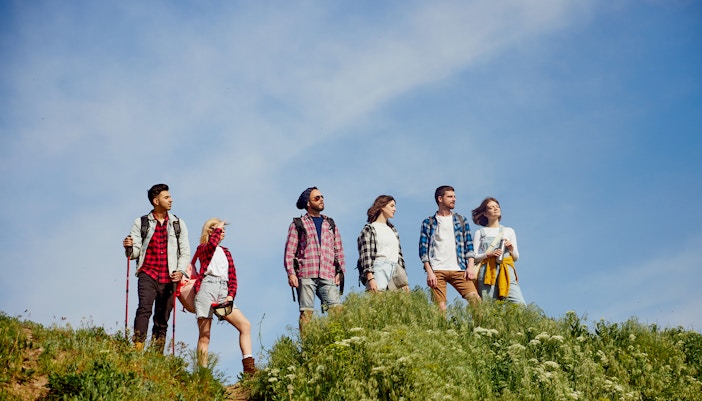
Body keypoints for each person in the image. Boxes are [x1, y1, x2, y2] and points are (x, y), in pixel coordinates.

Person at [123, 183, 190, 352]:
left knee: (162, 318)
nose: (171, 200)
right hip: (148, 273)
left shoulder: (178, 224)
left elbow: (185, 252)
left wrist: (180, 271)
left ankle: (156, 356)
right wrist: (128, 247)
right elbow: (134, 254)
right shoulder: (141, 222)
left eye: (170, 197)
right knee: (144, 309)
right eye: (166, 197)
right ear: (156, 201)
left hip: (169, 277)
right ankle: (137, 349)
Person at [192, 218, 255, 376]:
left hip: (223, 289)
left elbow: (233, 277)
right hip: (207, 287)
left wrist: (231, 295)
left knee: (245, 325)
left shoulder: (226, 252)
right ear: (210, 231)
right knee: (205, 335)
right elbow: (211, 246)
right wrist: (217, 229)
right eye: (218, 228)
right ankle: (203, 374)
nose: (222, 231)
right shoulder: (203, 248)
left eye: (223, 229)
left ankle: (249, 369)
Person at [284, 187, 346, 330]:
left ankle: (337, 341)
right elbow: (289, 251)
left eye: (322, 197)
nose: (321, 200)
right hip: (306, 273)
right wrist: (291, 273)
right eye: (317, 198)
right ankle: (307, 347)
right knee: (307, 312)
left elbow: (338, 249)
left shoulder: (330, 223)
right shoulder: (298, 224)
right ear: (308, 203)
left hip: (328, 273)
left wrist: (340, 272)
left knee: (337, 310)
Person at [419, 185, 478, 311]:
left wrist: (470, 267)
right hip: (437, 270)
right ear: (440, 199)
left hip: (459, 269)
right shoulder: (428, 222)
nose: (454, 199)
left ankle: (479, 330)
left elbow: (469, 245)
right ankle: (443, 331)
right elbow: (423, 252)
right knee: (440, 309)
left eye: (454, 196)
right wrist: (430, 273)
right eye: (450, 197)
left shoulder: (461, 220)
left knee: (476, 301)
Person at [471, 197, 526, 305]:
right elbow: (473, 256)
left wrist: (511, 248)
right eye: (491, 208)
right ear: (485, 213)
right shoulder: (480, 232)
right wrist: (488, 254)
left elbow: (516, 257)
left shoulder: (508, 231)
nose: (496, 209)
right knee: (489, 306)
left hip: (506, 270)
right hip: (487, 272)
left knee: (520, 304)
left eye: (497, 206)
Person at [357, 195, 409, 292]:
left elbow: (399, 255)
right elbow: (365, 255)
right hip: (379, 267)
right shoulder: (369, 229)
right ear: (382, 206)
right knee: (378, 303)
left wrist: (404, 280)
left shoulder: (393, 230)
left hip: (395, 269)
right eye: (392, 206)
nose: (395, 209)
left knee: (396, 305)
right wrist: (370, 278)